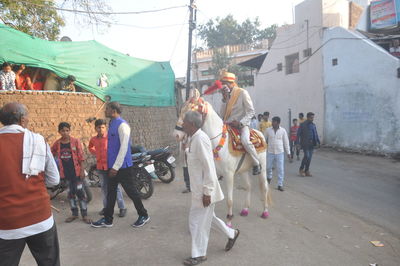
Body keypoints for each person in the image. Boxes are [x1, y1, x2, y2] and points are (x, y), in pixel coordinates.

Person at [0, 102, 60, 266]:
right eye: (27, 115)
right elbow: (54, 179)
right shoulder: (38, 140)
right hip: (40, 218)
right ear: (21, 119)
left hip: (7, 224)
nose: (28, 118)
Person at [182, 111, 240, 266]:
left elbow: (209, 167)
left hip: (204, 192)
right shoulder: (194, 139)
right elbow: (197, 158)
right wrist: (187, 150)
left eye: (184, 122)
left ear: (192, 124)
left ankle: (199, 255)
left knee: (197, 223)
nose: (182, 124)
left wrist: (207, 192)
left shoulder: (200, 139)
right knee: (208, 219)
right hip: (198, 191)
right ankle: (232, 233)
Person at [92, 101, 150, 228]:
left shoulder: (123, 126)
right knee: (111, 193)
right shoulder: (112, 124)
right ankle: (108, 219)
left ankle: (143, 215)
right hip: (112, 167)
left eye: (107, 109)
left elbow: (124, 148)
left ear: (113, 111)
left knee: (131, 192)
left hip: (122, 167)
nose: (105, 111)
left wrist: (116, 167)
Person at [219, 71, 261, 175]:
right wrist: (224, 99)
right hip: (227, 124)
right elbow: (222, 114)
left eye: (225, 83)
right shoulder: (225, 96)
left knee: (245, 141)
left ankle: (257, 163)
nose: (223, 85)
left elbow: (251, 111)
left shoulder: (242, 92)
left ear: (231, 83)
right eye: (222, 83)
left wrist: (240, 123)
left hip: (241, 125)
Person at [51, 122, 91, 224]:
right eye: (62, 131)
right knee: (70, 194)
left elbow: (81, 157)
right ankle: (74, 214)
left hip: (76, 174)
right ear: (59, 132)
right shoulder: (58, 143)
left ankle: (85, 215)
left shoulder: (75, 141)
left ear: (70, 131)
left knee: (81, 194)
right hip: (65, 175)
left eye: (67, 130)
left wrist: (82, 170)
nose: (65, 132)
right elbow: (51, 152)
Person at [89, 119, 127, 217]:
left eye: (102, 127)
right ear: (95, 128)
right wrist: (96, 153)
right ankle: (106, 208)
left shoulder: (110, 138)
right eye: (98, 127)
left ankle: (122, 207)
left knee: (115, 188)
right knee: (104, 189)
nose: (101, 129)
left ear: (105, 128)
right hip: (100, 168)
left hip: (111, 167)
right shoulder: (93, 139)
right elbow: (90, 147)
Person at [264, 116, 291, 191]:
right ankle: (269, 177)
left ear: (278, 123)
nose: (272, 123)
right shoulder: (268, 130)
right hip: (270, 152)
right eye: (272, 121)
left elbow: (286, 142)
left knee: (280, 169)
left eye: (274, 122)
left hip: (280, 152)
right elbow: (263, 139)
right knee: (268, 167)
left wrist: (288, 153)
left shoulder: (283, 131)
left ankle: (280, 185)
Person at [297, 112, 320, 177]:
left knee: (309, 158)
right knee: (306, 156)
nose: (312, 119)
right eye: (311, 118)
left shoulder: (313, 125)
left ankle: (307, 171)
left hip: (312, 144)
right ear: (307, 117)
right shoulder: (302, 125)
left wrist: (318, 141)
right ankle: (301, 169)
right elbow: (298, 134)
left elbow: (316, 134)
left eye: (313, 118)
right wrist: (297, 143)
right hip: (305, 143)